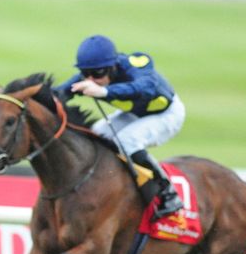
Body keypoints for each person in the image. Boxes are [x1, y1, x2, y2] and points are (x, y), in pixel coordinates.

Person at [54, 35, 185, 218]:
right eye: (85, 73)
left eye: (97, 73)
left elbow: (146, 87)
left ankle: (168, 192)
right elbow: (58, 93)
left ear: (113, 66)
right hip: (135, 113)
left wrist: (104, 91)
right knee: (97, 134)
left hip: (167, 114)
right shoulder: (91, 77)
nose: (90, 79)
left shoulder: (137, 64)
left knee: (127, 140)